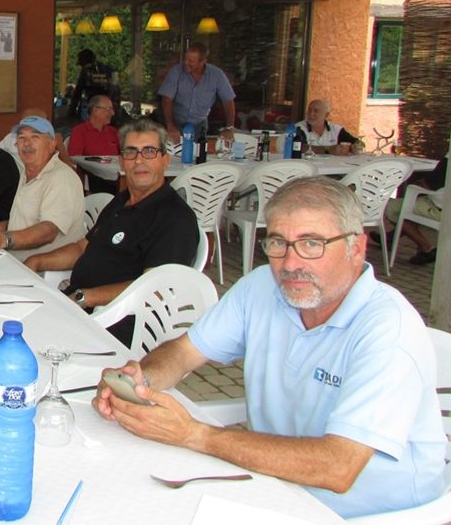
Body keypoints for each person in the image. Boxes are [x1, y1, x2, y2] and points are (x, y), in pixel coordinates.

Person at [93, 176, 446, 519]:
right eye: (278, 243)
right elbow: (185, 351)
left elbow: (338, 467)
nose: (290, 264)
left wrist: (193, 434)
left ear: (356, 248)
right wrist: (142, 382)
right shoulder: (262, 287)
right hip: (276, 484)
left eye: (312, 244)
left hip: (371, 512)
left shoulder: (388, 330)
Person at [26, 118, 198, 345]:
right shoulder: (121, 202)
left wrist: (85, 297)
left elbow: (155, 290)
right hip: (78, 308)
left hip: (117, 325)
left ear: (165, 160)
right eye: (131, 152)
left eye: (149, 152)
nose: (139, 160)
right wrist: (36, 261)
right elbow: (82, 248)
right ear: (121, 162)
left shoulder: (175, 218)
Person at [0, 116, 85, 260]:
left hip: (41, 266)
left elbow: (48, 231)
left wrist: (5, 239)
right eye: (21, 137)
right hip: (15, 257)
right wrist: (0, 227)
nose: (27, 143)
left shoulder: (62, 178)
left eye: (35, 137)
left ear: (52, 145)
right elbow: (24, 221)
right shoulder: (27, 172)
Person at [373, 156, 446, 265]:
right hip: (440, 205)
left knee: (390, 207)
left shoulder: (448, 163)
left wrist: (412, 185)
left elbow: (428, 185)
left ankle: (426, 247)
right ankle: (391, 237)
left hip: (440, 210)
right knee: (411, 206)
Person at [157, 42, 236, 143]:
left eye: (190, 61)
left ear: (203, 61)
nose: (186, 63)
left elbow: (228, 101)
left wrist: (229, 127)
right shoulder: (176, 71)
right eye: (185, 59)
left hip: (199, 125)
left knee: (199, 151)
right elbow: (167, 100)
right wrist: (170, 125)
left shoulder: (217, 75)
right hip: (175, 122)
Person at [69, 49, 122, 123]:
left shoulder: (87, 72)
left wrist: (71, 112)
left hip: (98, 111)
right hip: (109, 110)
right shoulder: (109, 69)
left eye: (82, 64)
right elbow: (117, 90)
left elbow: (77, 93)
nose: (82, 67)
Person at [294, 98, 361, 155]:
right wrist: (328, 149)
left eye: (316, 111)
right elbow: (300, 147)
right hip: (306, 165)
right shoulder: (298, 127)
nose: (311, 113)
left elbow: (356, 142)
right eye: (309, 110)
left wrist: (354, 147)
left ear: (326, 115)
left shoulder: (335, 129)